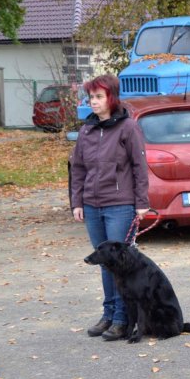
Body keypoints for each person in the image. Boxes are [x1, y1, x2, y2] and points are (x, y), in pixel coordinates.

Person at [70, 74, 149, 341]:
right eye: (91, 97)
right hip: (92, 207)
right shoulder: (86, 130)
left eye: (99, 96)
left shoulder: (128, 128)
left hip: (119, 205)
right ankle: (108, 314)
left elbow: (140, 168)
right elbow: (78, 169)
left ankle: (121, 319)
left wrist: (141, 204)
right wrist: (77, 201)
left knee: (120, 265)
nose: (93, 101)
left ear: (111, 98)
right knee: (104, 263)